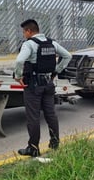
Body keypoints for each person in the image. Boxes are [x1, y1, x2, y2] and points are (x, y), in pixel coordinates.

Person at [14, 19, 72, 157]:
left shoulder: (29, 44)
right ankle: (54, 143)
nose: (23, 35)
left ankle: (33, 148)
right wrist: (55, 72)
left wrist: (18, 76)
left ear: (29, 31)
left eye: (24, 32)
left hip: (33, 85)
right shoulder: (52, 43)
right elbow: (67, 56)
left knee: (33, 117)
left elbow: (19, 61)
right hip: (48, 84)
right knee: (51, 114)